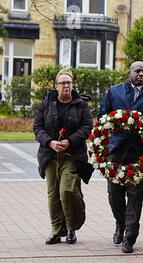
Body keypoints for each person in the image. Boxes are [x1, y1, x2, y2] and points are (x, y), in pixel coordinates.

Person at [98, 61, 143, 253]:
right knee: (114, 194)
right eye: (138, 71)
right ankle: (120, 223)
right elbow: (103, 115)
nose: (141, 74)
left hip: (140, 154)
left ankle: (130, 237)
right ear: (130, 73)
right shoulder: (115, 91)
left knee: (135, 196)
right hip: (116, 151)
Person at [33, 69, 93, 245]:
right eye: (62, 83)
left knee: (66, 191)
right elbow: (37, 127)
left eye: (69, 82)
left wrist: (69, 141)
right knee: (53, 194)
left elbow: (87, 126)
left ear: (72, 85)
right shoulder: (46, 103)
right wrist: (50, 142)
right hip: (49, 154)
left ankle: (71, 227)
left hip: (72, 154)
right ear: (56, 85)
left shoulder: (81, 104)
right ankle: (56, 230)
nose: (66, 85)